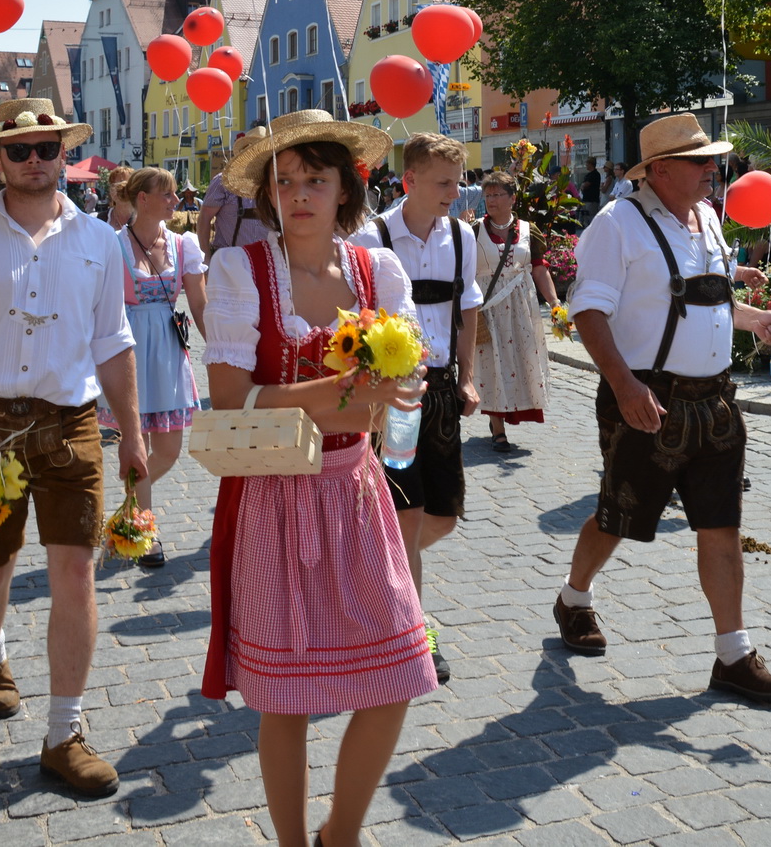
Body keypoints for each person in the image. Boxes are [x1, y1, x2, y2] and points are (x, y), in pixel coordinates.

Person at [200, 109, 435, 847]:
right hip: (273, 495)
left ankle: (344, 831)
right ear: (269, 194)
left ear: (344, 189)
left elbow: (407, 380)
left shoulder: (377, 270)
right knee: (286, 698)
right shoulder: (240, 270)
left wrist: (402, 389)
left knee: (401, 670)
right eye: (286, 180)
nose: (299, 193)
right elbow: (231, 399)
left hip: (355, 489)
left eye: (315, 179)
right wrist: (346, 396)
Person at [0, 98, 147, 797]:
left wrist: (134, 433)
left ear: (61, 153)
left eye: (45, 147)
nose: (33, 160)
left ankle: (64, 732)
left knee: (76, 571)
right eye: (18, 149)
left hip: (72, 423)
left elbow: (113, 341)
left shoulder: (99, 241)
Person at [552, 114, 771, 701]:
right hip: (646, 398)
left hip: (714, 400)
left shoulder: (708, 219)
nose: (713, 169)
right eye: (700, 161)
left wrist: (755, 321)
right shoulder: (617, 224)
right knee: (618, 514)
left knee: (721, 525)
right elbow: (587, 311)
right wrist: (623, 387)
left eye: (712, 159)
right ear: (659, 169)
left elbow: (710, 301)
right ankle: (573, 598)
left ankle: (733, 655)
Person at [350, 133, 481, 684]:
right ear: (410, 182)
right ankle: (413, 630)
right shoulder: (373, 236)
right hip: (396, 398)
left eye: (459, 180)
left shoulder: (462, 235)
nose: (457, 192)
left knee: (444, 516)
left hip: (444, 390)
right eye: (445, 183)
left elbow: (468, 307)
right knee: (406, 514)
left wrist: (469, 379)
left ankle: (371, 565)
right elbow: (353, 321)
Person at [101, 168, 207, 568]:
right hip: (128, 348)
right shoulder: (112, 245)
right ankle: (144, 533)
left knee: (169, 449)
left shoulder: (184, 244)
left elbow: (198, 303)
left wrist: (220, 346)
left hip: (168, 348)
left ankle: (129, 507)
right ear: (142, 199)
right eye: (167, 194)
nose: (175, 202)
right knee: (137, 446)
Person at [473, 170, 559, 452]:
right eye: (488, 195)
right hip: (488, 306)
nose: (491, 200)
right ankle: (497, 427)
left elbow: (538, 268)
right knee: (492, 363)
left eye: (497, 194)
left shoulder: (527, 229)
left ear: (512, 198)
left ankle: (513, 409)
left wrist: (556, 303)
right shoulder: (474, 230)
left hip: (521, 307)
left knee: (519, 361)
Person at [198, 129, 273, 260]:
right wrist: (206, 258)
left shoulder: (273, 183)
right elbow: (204, 218)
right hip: (230, 261)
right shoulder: (224, 182)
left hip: (267, 262)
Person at [580, 156, 602, 224]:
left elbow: (586, 185)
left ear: (590, 164)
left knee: (591, 217)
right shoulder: (588, 175)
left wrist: (584, 185)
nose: (586, 165)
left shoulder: (595, 174)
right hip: (585, 199)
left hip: (592, 200)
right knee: (585, 217)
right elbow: (582, 185)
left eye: (587, 163)